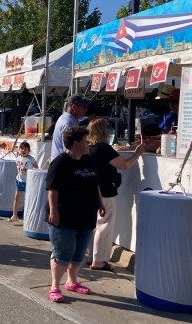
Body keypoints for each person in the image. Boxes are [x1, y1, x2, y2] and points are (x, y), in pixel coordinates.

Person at [45, 126, 104, 303]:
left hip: (86, 216)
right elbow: (52, 189)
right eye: (86, 141)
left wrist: (100, 203)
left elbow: (95, 184)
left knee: (79, 253)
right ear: (76, 143)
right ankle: (55, 286)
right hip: (65, 216)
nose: (89, 144)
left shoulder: (87, 159)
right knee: (63, 253)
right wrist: (54, 210)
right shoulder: (60, 162)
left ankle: (72, 281)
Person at [87, 118, 144, 271]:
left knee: (94, 225)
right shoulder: (104, 149)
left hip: (92, 189)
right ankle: (98, 260)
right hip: (106, 190)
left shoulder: (89, 148)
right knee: (104, 225)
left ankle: (91, 256)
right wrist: (137, 154)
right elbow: (124, 165)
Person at [50, 95, 90, 162]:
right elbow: (70, 150)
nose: (86, 110)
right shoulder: (69, 123)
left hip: (61, 162)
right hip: (64, 165)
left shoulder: (64, 118)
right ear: (74, 107)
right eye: (84, 107)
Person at [9, 141, 38, 223]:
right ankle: (14, 215)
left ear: (29, 150)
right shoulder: (18, 158)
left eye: (25, 149)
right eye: (21, 148)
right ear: (19, 150)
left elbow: (37, 169)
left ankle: (29, 216)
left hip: (29, 182)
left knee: (28, 200)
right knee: (16, 198)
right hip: (19, 181)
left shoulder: (31, 159)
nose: (23, 150)